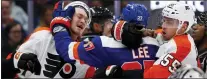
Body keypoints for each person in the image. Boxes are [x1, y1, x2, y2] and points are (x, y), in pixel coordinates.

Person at [51, 2, 159, 78]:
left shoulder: (104, 44)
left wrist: (59, 24)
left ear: (122, 21)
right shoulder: (157, 43)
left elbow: (65, 50)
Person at [12, 1, 95, 78]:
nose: (83, 21)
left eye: (86, 20)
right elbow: (13, 64)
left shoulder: (85, 58)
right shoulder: (41, 35)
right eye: (79, 16)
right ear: (67, 16)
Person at [144, 2, 198, 78]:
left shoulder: (180, 47)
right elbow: (157, 33)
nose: (163, 26)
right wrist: (144, 32)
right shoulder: (177, 36)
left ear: (183, 26)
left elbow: (151, 76)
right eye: (164, 20)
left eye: (169, 22)